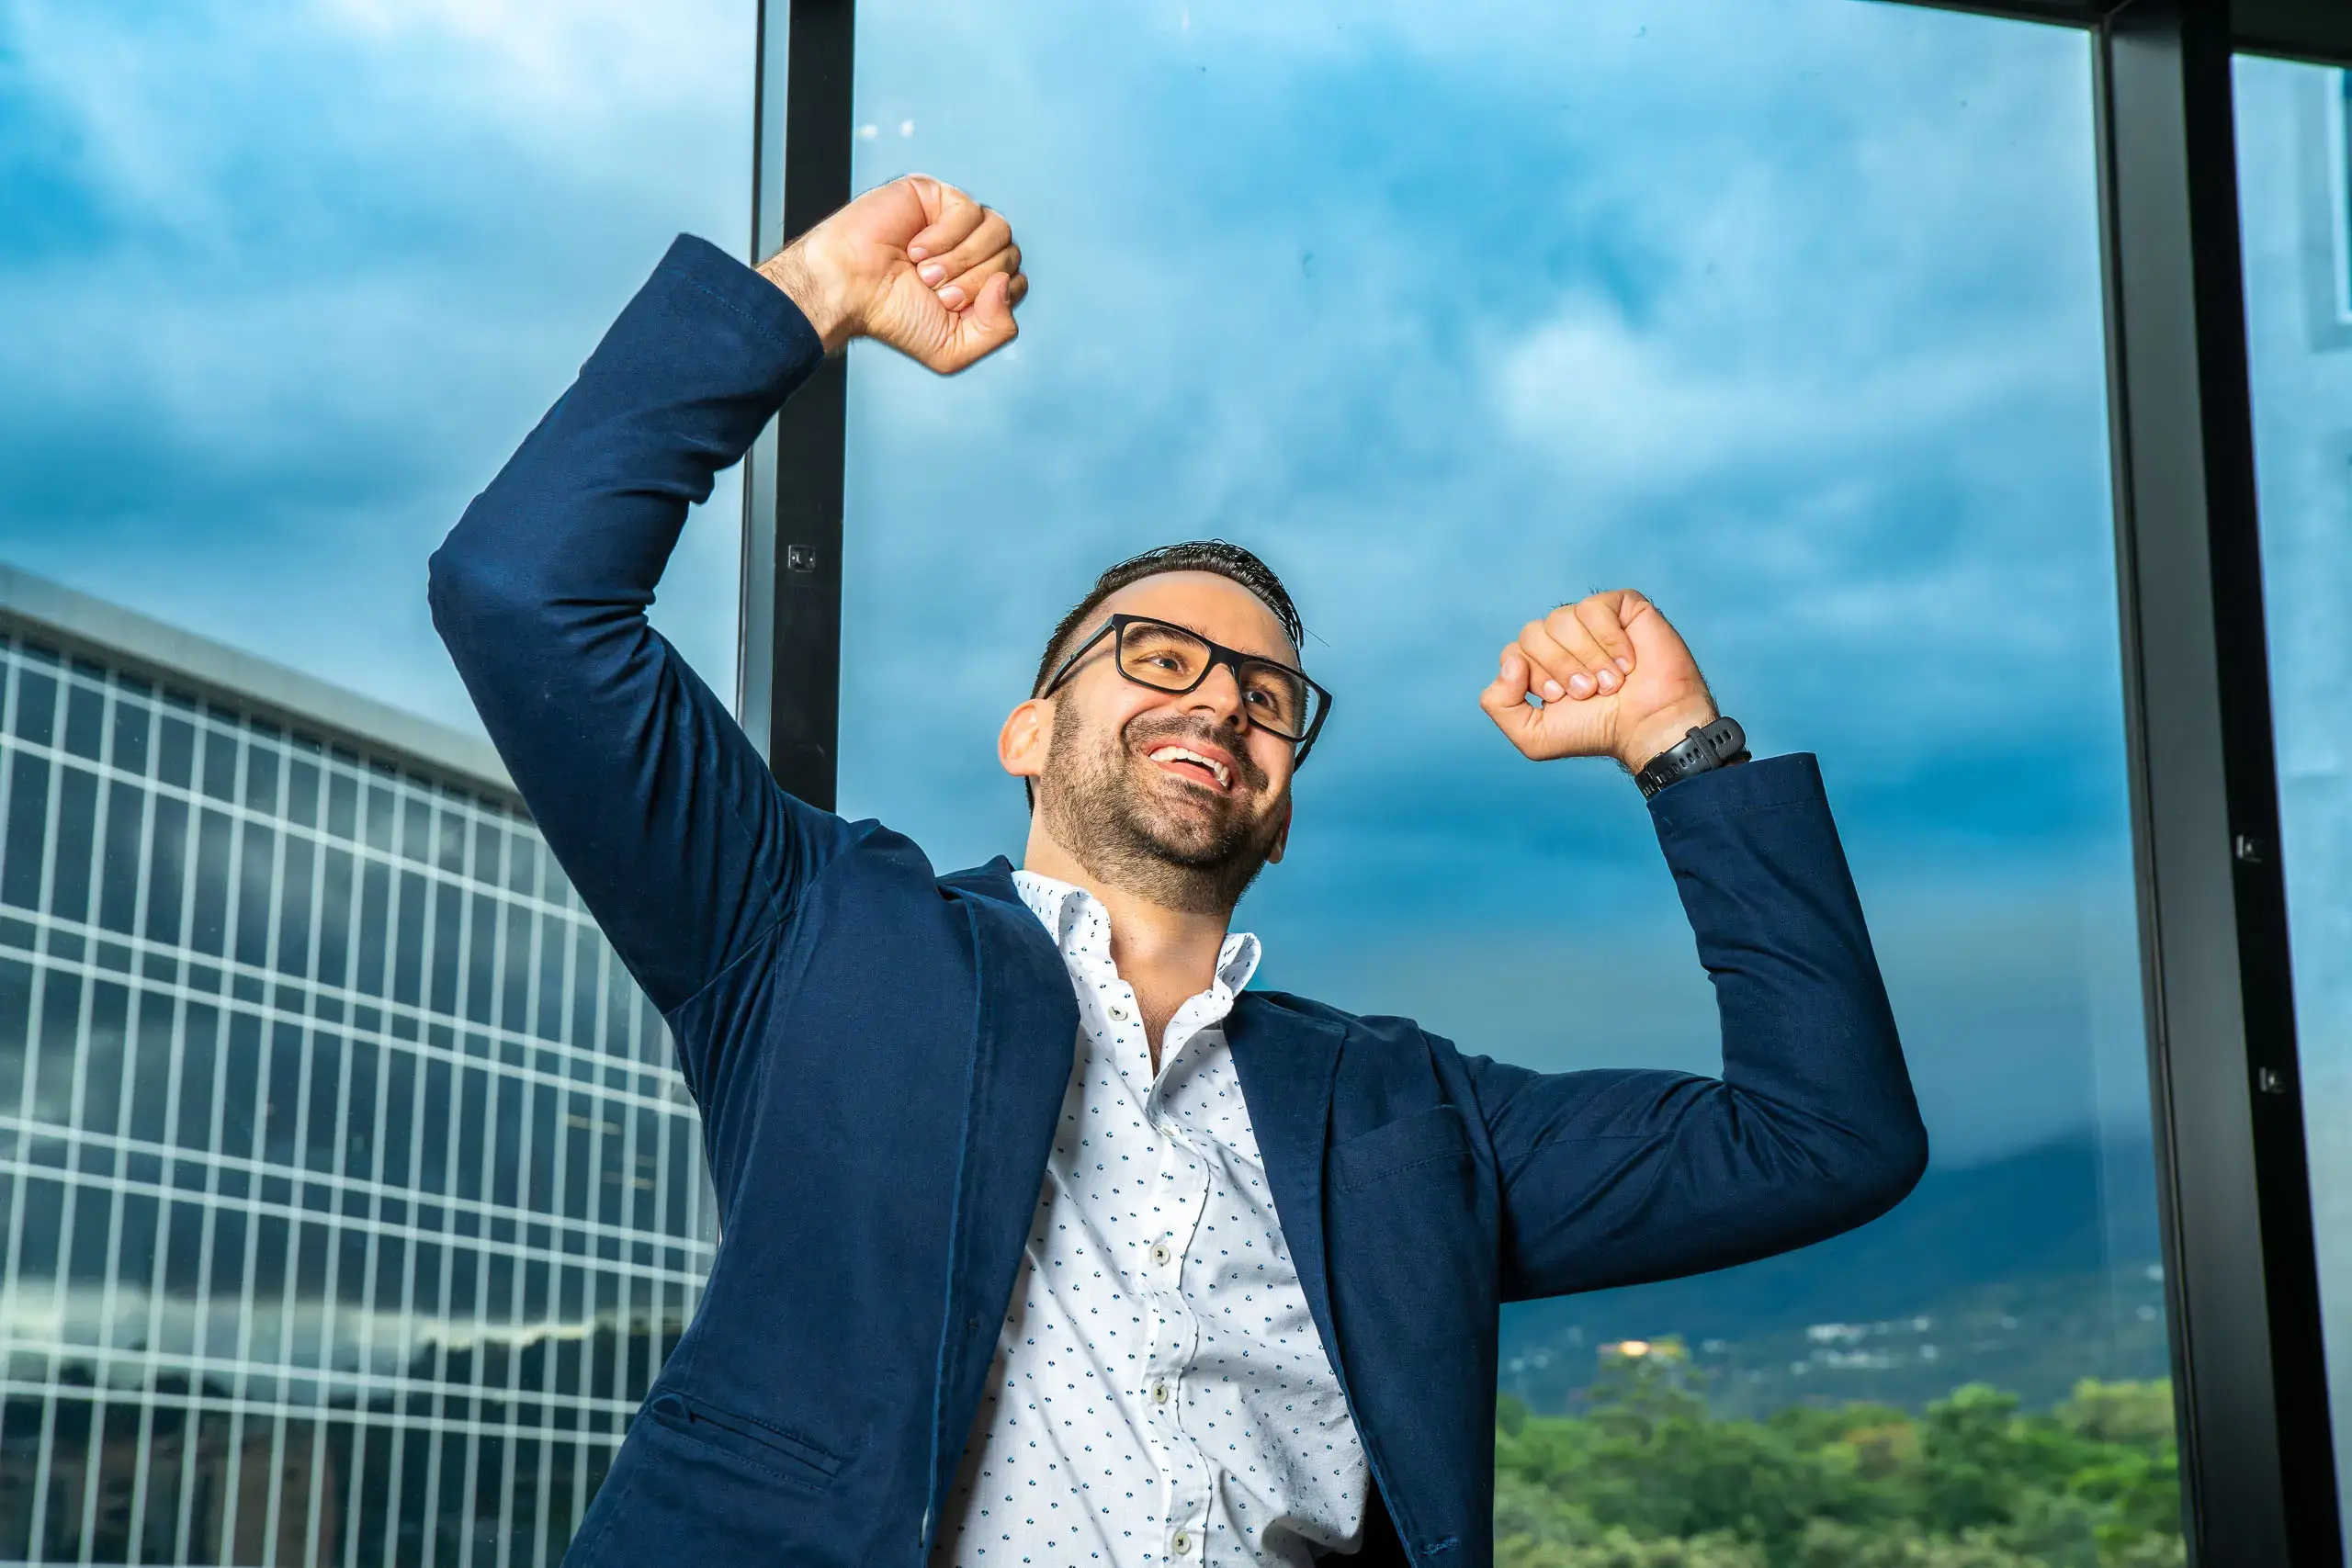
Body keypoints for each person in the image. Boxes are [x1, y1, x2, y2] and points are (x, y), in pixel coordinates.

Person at [430, 175, 1927, 1568]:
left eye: (1266, 697)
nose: (1219, 699)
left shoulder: (1416, 1117)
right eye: (1159, 657)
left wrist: (1679, 742)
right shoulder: (811, 931)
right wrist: (814, 289)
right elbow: (523, 589)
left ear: (1281, 809)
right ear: (1030, 728)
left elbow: (1826, 1135)